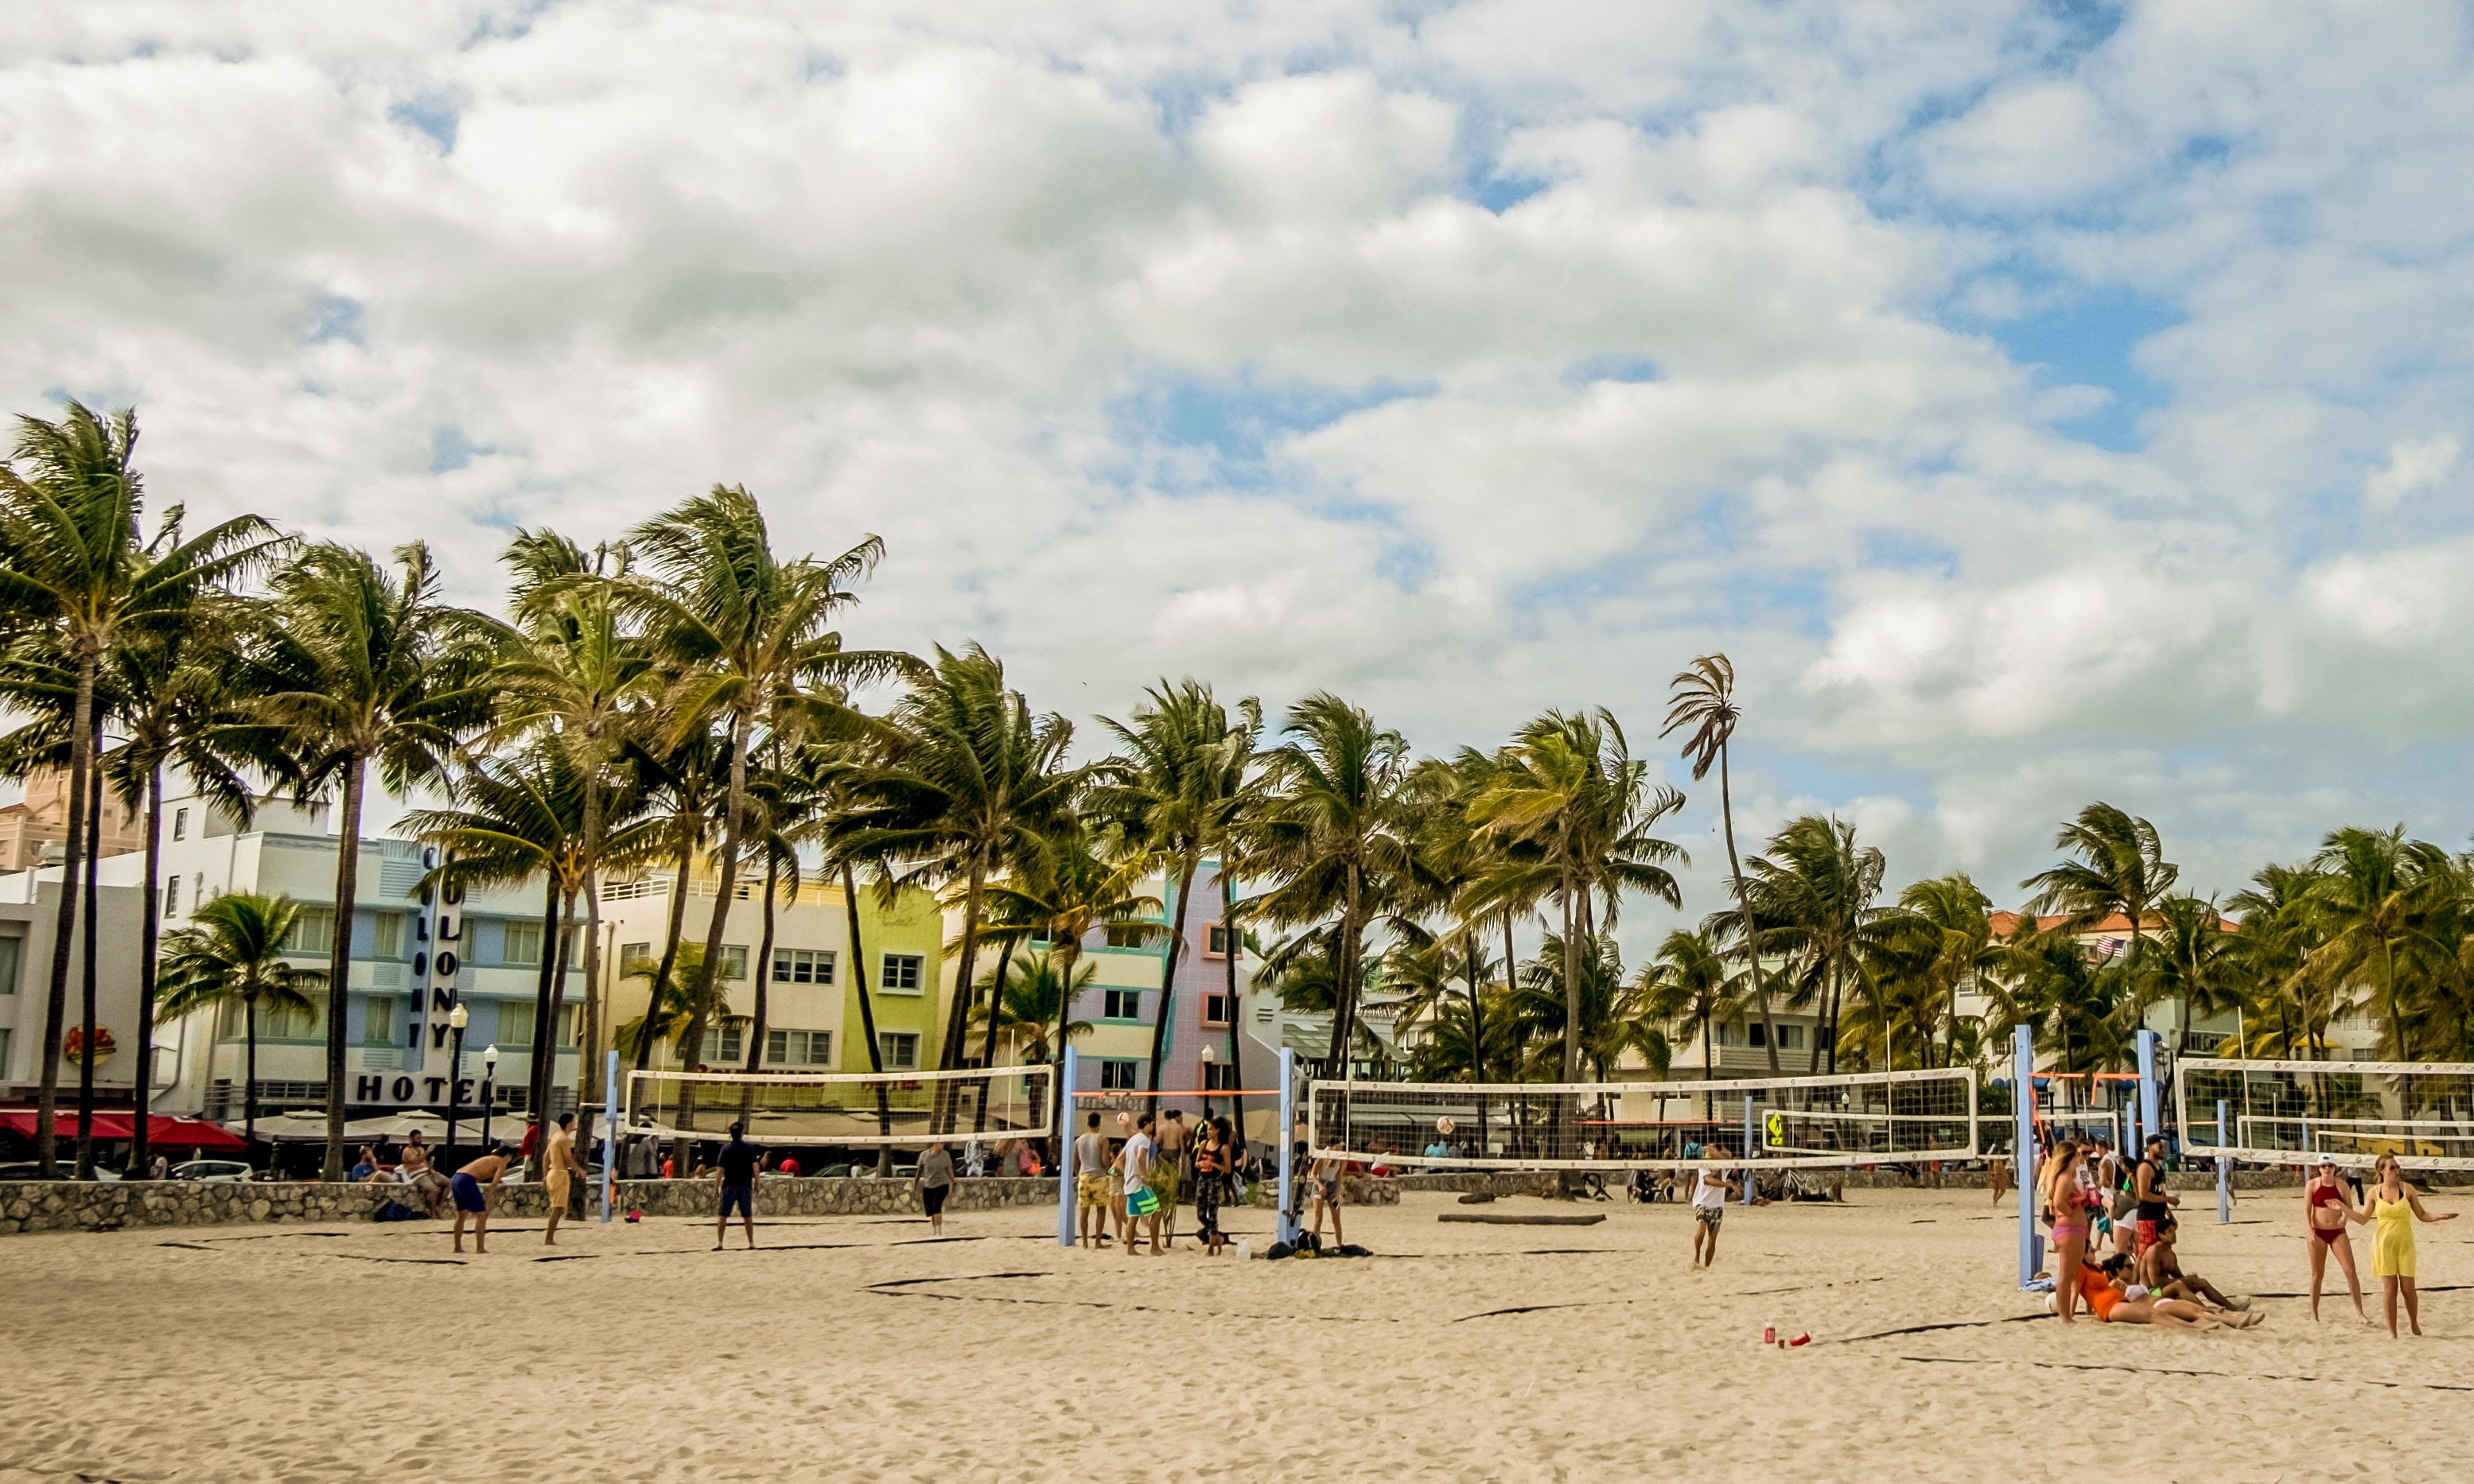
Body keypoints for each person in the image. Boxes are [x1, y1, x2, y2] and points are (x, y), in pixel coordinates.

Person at [2365, 1152, 2457, 1338]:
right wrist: (2343, 1210)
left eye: (2397, 1166)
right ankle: (2392, 1331)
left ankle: (2414, 1323)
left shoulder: (2408, 1189)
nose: (2397, 1170)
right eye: (2392, 1167)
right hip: (2384, 1244)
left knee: (2408, 1289)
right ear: (2382, 1171)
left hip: (2405, 1243)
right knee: (2390, 1290)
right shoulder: (2374, 1192)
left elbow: (2422, 1215)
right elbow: (2362, 1218)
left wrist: (2440, 1216)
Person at [2077, 1255, 2264, 1331]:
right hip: (2156, 1305)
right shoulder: (2116, 1285)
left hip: (2159, 1301)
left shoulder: (2129, 1282)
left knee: (2198, 1311)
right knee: (2196, 1311)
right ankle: (2234, 1321)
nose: (2132, 1268)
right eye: (2128, 1266)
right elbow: (2098, 1300)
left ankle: (2234, 1320)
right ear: (2117, 1270)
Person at [2303, 1154, 2370, 1324]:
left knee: (2350, 1271)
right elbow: (2306, 1210)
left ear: (2335, 1168)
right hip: (2318, 1232)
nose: (2327, 1168)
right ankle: (2314, 1314)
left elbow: (2349, 1208)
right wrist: (2310, 1230)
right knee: (2317, 1274)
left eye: (2330, 1166)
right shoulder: (2312, 1185)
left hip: (2337, 1232)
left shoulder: (2342, 1186)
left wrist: (2345, 1218)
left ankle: (2360, 1313)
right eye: (2324, 1166)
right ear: (2319, 1168)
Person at [2136, 1214, 2248, 1311]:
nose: (2174, 1234)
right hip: (2151, 1294)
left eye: (2174, 1231)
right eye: (2169, 1232)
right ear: (2160, 1235)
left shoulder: (2170, 1253)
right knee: (2179, 1284)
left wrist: (2190, 1279)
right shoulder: (2154, 1251)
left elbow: (2178, 1276)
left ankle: (2232, 1307)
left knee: (2201, 1282)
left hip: (2165, 1290)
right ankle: (2206, 1311)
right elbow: (2155, 1282)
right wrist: (2183, 1280)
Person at [2040, 1141, 2091, 1323]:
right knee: (2066, 1276)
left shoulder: (2068, 1176)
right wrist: (2070, 1213)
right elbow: (2059, 1202)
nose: (2081, 1157)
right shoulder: (2065, 1177)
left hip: (2072, 1229)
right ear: (2070, 1157)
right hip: (2069, 1230)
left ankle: (2066, 1314)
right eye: (2078, 1154)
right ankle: (2065, 1316)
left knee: (2070, 1274)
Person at [450, 1143, 519, 1254]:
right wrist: (487, 1202)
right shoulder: (501, 1162)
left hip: (456, 1177)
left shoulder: (489, 1158)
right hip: (467, 1180)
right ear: (508, 1156)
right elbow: (494, 1184)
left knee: (462, 1214)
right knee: (482, 1215)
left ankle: (457, 1247)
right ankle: (480, 1248)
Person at [713, 1121, 761, 1250]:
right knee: (747, 1215)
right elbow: (755, 1167)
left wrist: (716, 1187)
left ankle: (720, 1243)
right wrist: (757, 1183)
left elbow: (720, 1170)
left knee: (723, 1215)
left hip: (729, 1184)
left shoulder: (726, 1149)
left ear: (730, 1134)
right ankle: (751, 1243)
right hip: (745, 1184)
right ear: (741, 1134)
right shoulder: (749, 1148)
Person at [1120, 1113, 1162, 1256]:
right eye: (1151, 1123)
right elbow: (1140, 1157)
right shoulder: (1144, 1140)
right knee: (1157, 1212)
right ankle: (1154, 1247)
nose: (1153, 1126)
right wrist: (1144, 1174)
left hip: (1130, 1184)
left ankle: (1131, 1249)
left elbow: (1120, 1160)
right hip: (1139, 1184)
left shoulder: (1133, 1139)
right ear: (1146, 1124)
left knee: (1133, 1217)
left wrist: (1127, 1174)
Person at [543, 1113, 586, 1246]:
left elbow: (545, 1158)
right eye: (573, 1122)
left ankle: (549, 1237)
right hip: (559, 1174)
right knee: (558, 1208)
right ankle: (549, 1239)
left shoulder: (556, 1136)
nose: (575, 1124)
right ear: (569, 1124)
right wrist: (580, 1170)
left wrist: (545, 1176)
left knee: (559, 1208)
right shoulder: (564, 1139)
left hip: (553, 1173)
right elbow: (568, 1160)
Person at [2132, 1135, 2179, 1257]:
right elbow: (2144, 1195)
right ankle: (2137, 1276)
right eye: (2160, 1146)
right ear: (2150, 1147)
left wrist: (2169, 1213)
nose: (2163, 1149)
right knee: (2145, 1254)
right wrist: (2168, 1199)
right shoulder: (2145, 1167)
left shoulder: (2159, 1168)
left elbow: (2160, 1193)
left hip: (2159, 1216)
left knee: (2160, 1253)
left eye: (2164, 1147)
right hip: (2147, 1217)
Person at [1074, 1112, 1113, 1248]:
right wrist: (1108, 1165)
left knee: (1084, 1211)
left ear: (1088, 1123)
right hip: (1099, 1177)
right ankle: (1097, 1242)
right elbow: (1104, 1162)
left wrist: (1079, 1174)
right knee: (1101, 1210)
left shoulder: (1079, 1140)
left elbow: (1075, 1163)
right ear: (1099, 1124)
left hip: (1084, 1177)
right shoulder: (1102, 1140)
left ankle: (1084, 1242)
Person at [1690, 1159, 1737, 1268]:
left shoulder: (1723, 1166)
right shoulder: (1704, 1165)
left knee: (1712, 1240)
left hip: (1717, 1206)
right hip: (1702, 1203)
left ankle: (1706, 1267)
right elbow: (1709, 1180)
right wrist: (1728, 1185)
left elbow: (1728, 1156)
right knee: (1700, 1231)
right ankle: (1697, 1254)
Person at [1192, 1118, 1227, 1256]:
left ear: (1218, 1130)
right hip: (1203, 1179)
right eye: (1208, 1129)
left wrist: (1213, 1164)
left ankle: (1211, 1247)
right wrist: (1201, 1164)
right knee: (1200, 1213)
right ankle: (1218, 1236)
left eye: (1211, 1129)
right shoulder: (1203, 1144)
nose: (1209, 1132)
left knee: (1212, 1213)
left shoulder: (1223, 1148)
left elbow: (1228, 1168)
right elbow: (1196, 1163)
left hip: (1214, 1180)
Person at [1154, 1109, 1188, 1247]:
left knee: (1164, 1175)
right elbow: (1180, 1141)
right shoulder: (1178, 1127)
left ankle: (1164, 1194)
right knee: (1173, 1175)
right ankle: (1173, 1194)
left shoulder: (1161, 1127)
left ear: (1164, 1117)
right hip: (1174, 1151)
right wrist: (1183, 1153)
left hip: (1164, 1152)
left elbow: (1157, 1140)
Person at [917, 1139, 956, 1235]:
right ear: (935, 1143)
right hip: (929, 1185)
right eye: (941, 1142)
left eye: (943, 1143)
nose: (943, 1144)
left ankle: (939, 1232)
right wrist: (915, 1183)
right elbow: (919, 1170)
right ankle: (935, 1232)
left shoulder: (945, 1155)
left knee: (936, 1205)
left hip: (942, 1184)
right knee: (930, 1209)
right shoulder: (924, 1155)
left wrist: (954, 1181)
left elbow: (949, 1169)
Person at [1307, 1152, 1344, 1252]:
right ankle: (1314, 1246)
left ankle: (1340, 1246)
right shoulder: (1323, 1157)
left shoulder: (1343, 1159)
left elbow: (1339, 1177)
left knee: (1336, 1218)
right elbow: (1313, 1174)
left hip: (1332, 1187)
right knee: (1318, 1218)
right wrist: (1320, 1185)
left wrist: (1337, 1194)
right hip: (1319, 1186)